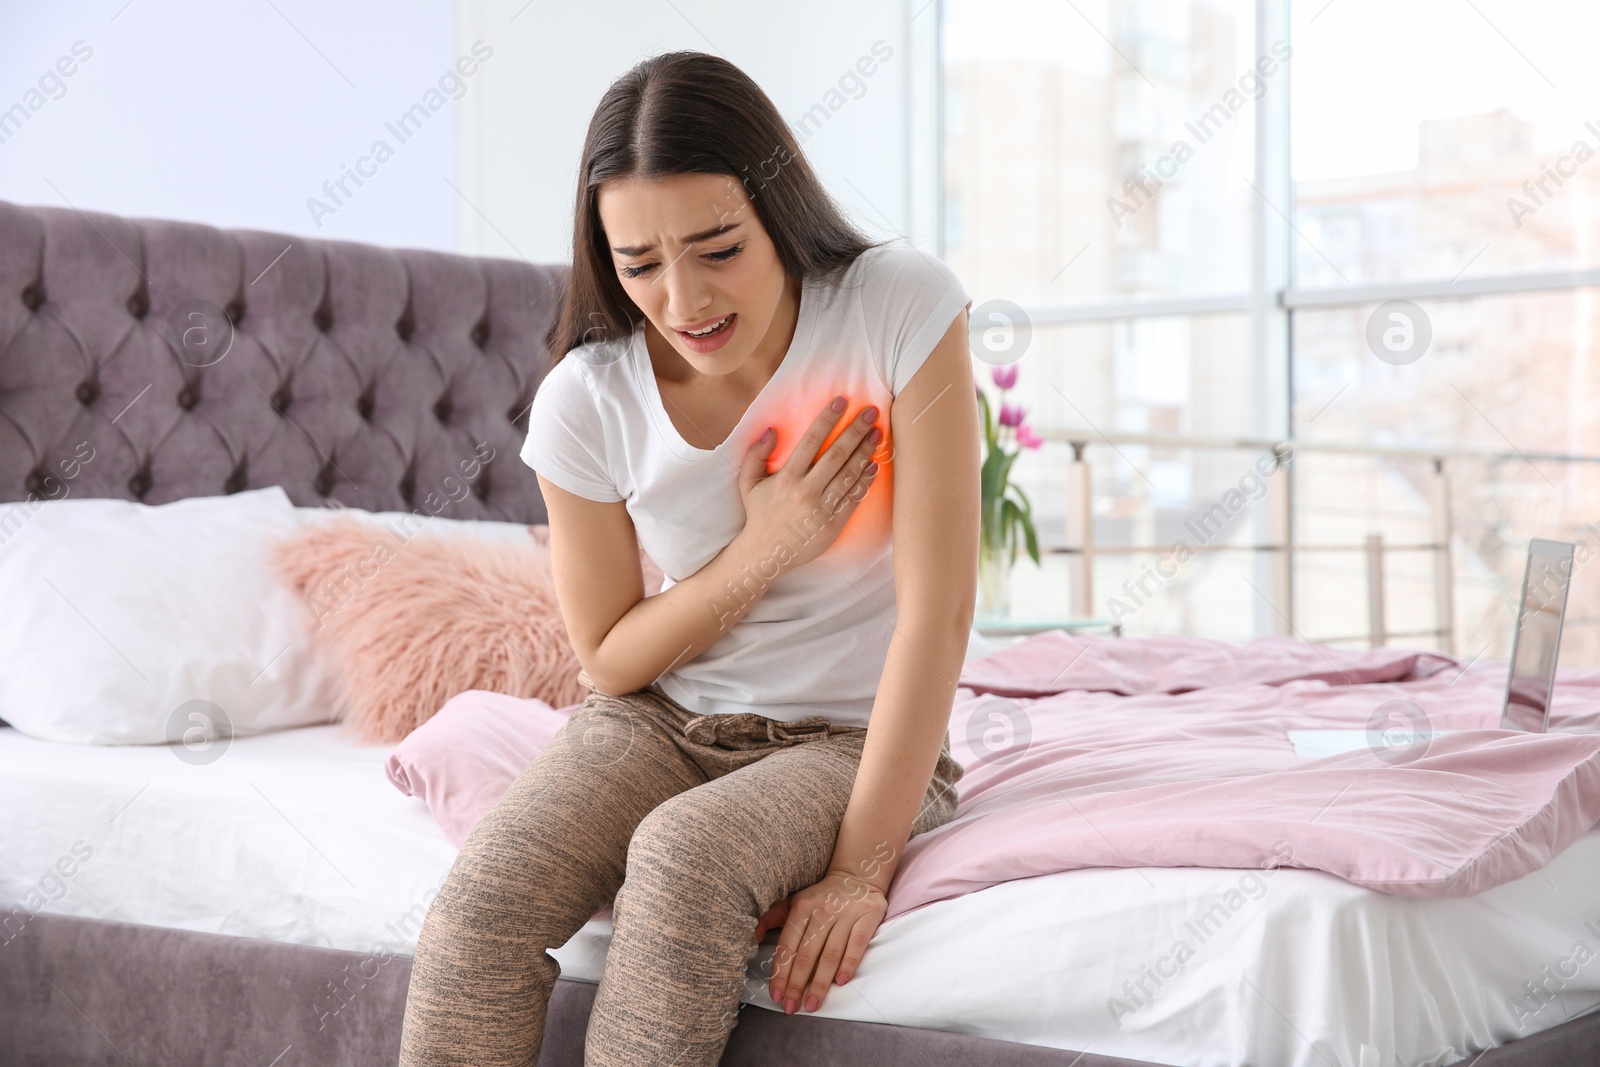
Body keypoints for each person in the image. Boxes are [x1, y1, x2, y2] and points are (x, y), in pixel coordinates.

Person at [399, 49, 979, 1067]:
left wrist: (856, 870)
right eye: (640, 266)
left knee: (681, 851)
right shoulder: (587, 397)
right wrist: (766, 548)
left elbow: (938, 612)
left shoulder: (896, 303)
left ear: (778, 213)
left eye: (717, 248)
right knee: (480, 905)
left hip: (842, 740)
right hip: (657, 719)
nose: (683, 298)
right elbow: (611, 661)